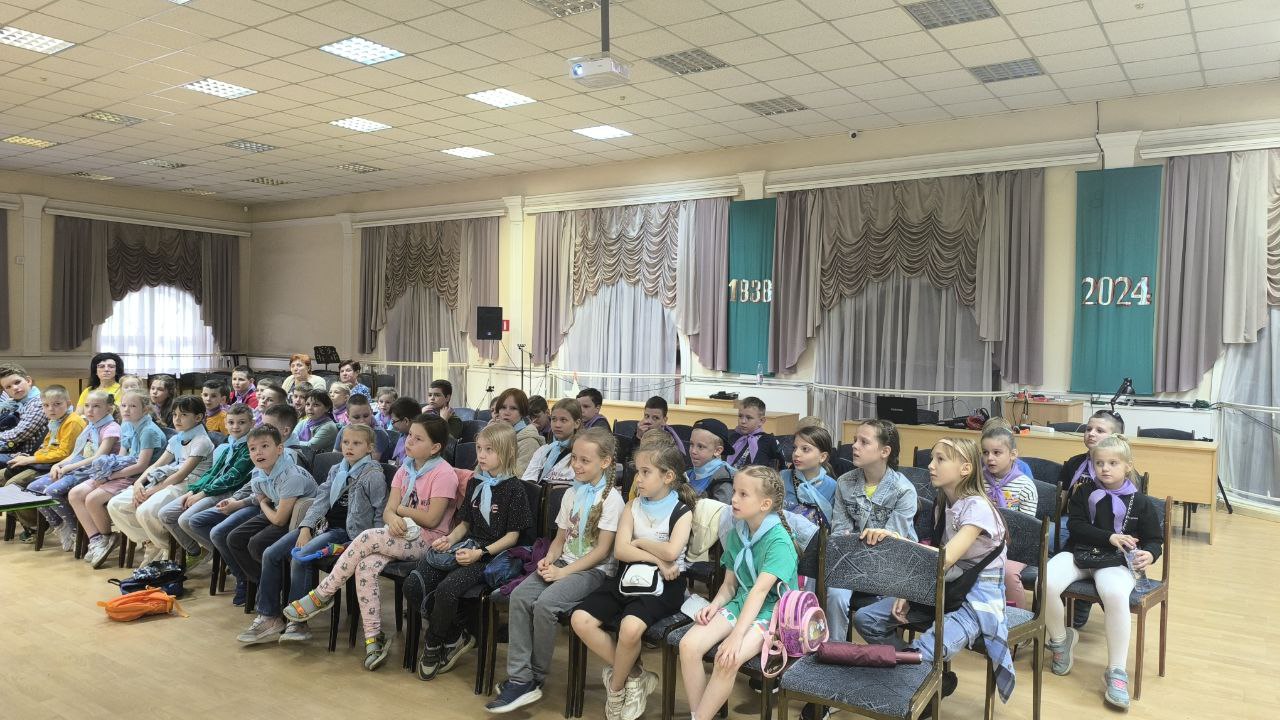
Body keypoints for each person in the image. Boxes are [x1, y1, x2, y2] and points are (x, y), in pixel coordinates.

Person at [854, 438, 1015, 708]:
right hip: (948, 585)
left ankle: (917, 681)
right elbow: (941, 564)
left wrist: (896, 539)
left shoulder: (977, 507)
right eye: (932, 458)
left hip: (978, 598)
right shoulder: (944, 503)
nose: (930, 465)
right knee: (866, 619)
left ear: (965, 468)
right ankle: (928, 676)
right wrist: (910, 591)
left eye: (940, 459)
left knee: (925, 649)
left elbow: (945, 558)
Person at [487, 427, 625, 712]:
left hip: (594, 571)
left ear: (605, 462)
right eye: (574, 458)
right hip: (564, 563)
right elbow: (560, 539)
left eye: (585, 460)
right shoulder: (571, 493)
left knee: (546, 604)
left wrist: (563, 573)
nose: (576, 465)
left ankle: (536, 676)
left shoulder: (612, 500)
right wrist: (549, 559)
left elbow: (601, 552)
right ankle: (520, 677)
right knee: (520, 596)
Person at [569, 444, 696, 720]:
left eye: (645, 472)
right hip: (628, 576)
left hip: (666, 584)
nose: (638, 478)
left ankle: (616, 689)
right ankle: (636, 674)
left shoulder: (681, 511)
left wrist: (639, 543)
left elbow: (672, 552)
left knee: (630, 628)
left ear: (668, 476)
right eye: (637, 471)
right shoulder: (632, 506)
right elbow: (621, 551)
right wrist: (656, 558)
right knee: (580, 619)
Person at [405, 422, 533, 681]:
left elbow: (512, 537)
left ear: (507, 452)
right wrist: (449, 540)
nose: (481, 455)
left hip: (492, 556)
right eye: (479, 449)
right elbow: (464, 524)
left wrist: (480, 553)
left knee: (447, 590)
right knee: (414, 584)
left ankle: (434, 642)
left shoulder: (515, 489)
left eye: (489, 450)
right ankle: (456, 634)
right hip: (468, 546)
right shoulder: (476, 482)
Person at [1044, 435, 1162, 711]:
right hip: (1080, 554)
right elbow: (1075, 526)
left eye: (1112, 463)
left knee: (1115, 594)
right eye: (1099, 463)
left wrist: (1150, 554)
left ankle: (1116, 671)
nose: (1105, 468)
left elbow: (1155, 540)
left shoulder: (1141, 502)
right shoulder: (1083, 492)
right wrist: (1109, 536)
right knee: (1045, 581)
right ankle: (1060, 641)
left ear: (1128, 466)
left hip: (1116, 562)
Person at [247, 422, 389, 645]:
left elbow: (381, 511)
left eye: (356, 443)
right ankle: (270, 616)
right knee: (270, 554)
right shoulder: (337, 469)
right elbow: (320, 502)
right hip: (322, 525)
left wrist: (373, 543)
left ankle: (298, 621)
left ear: (370, 447)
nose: (349, 447)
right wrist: (305, 528)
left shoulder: (373, 475)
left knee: (300, 557)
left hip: (345, 533)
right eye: (346, 442)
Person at [677, 465, 799, 720]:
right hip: (742, 602)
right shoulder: (738, 533)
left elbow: (760, 592)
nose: (733, 499)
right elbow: (729, 586)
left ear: (765, 504)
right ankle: (700, 715)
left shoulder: (779, 541)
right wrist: (715, 604)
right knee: (688, 646)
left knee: (727, 659)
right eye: (734, 491)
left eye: (743, 494)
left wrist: (736, 636)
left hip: (773, 613)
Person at [825, 419, 917, 643]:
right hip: (852, 559)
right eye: (855, 440)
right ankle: (835, 652)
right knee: (835, 594)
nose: (854, 446)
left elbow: (892, 541)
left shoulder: (903, 490)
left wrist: (855, 540)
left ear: (885, 451)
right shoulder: (844, 482)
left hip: (891, 564)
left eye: (864, 442)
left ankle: (891, 654)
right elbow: (839, 533)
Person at [107, 395, 215, 566]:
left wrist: (150, 491)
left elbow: (181, 475)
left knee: (145, 511)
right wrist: (138, 483)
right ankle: (152, 541)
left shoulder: (201, 441)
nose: (177, 419)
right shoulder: (177, 438)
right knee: (116, 504)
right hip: (169, 480)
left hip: (189, 484)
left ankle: (169, 547)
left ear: (198, 417)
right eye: (175, 414)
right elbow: (157, 465)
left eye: (184, 415)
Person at [217, 425, 317, 610]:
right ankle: (263, 583)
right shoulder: (258, 472)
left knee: (256, 544)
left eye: (264, 446)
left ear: (279, 449)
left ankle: (271, 587)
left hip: (298, 520)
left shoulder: (291, 476)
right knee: (233, 538)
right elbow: (260, 496)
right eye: (253, 449)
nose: (258, 452)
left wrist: (263, 503)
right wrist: (243, 503)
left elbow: (279, 520)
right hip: (277, 509)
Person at [71, 391, 167, 567]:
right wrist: (106, 474)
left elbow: (141, 466)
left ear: (145, 409)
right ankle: (96, 539)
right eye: (123, 405)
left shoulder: (148, 431)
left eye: (132, 406)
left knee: (92, 499)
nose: (126, 410)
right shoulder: (126, 424)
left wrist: (109, 476)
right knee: (75, 494)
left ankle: (107, 537)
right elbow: (121, 458)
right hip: (122, 471)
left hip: (139, 477)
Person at [158, 403, 255, 568]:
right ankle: (197, 551)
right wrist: (194, 491)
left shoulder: (249, 447)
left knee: (186, 520)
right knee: (165, 514)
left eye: (242, 422)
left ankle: (228, 557)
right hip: (211, 490)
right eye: (231, 422)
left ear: (252, 424)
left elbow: (233, 478)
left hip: (230, 493)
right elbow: (212, 472)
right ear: (225, 424)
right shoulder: (229, 445)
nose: (235, 426)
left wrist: (203, 493)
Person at [1055, 409, 1123, 628]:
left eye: (1099, 430)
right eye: (1088, 428)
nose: (1091, 433)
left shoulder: (1120, 468)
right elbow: (1062, 500)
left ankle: (1082, 601)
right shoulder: (1074, 463)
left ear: (1115, 437)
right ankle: (1051, 601)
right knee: (1050, 538)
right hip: (1071, 521)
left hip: (1107, 527)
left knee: (1087, 547)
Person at [28, 390, 120, 551]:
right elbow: (76, 454)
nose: (89, 410)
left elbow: (98, 457)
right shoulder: (90, 426)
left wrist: (68, 467)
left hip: (93, 472)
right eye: (87, 405)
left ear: (109, 409)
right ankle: (60, 525)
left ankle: (75, 530)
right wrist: (59, 465)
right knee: (33, 489)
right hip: (78, 467)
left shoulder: (111, 428)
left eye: (96, 406)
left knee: (52, 491)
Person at [4, 385, 85, 542]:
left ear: (68, 403)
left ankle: (38, 525)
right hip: (45, 462)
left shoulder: (73, 421)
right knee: (3, 477)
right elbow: (47, 446)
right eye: (46, 405)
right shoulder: (55, 421)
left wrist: (31, 459)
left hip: (61, 465)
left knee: (13, 486)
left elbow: (64, 453)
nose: (51, 409)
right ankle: (30, 523)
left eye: (57, 404)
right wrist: (28, 456)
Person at [981, 425, 1038, 608]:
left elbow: (1026, 530)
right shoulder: (978, 481)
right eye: (985, 452)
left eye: (997, 452)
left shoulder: (1025, 486)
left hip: (1015, 548)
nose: (990, 458)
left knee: (1007, 572)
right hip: (983, 542)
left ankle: (1018, 618)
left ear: (1013, 454)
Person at [780, 425, 836, 528]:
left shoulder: (833, 487)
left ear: (822, 457)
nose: (796, 453)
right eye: (794, 448)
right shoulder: (782, 478)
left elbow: (833, 525)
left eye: (805, 449)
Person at [521, 397, 581, 485]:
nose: (557, 425)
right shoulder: (544, 450)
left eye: (563, 420)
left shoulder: (583, 453)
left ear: (577, 423)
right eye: (554, 419)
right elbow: (527, 482)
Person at [490, 387, 545, 475]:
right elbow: (480, 471)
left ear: (522, 412)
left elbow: (518, 477)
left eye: (513, 408)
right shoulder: (494, 436)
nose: (506, 412)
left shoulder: (529, 442)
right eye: (503, 407)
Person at [0, 364, 48, 462]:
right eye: (8, 387)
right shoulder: (12, 404)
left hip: (29, 456)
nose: (14, 388)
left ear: (28, 381)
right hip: (11, 451)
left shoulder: (39, 402)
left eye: (17, 382)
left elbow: (21, 433)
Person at [332, 394, 394, 461]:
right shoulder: (344, 430)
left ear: (371, 412)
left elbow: (372, 462)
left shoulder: (378, 434)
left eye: (366, 416)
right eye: (356, 417)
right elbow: (335, 457)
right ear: (347, 416)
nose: (362, 421)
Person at [726, 397, 782, 469]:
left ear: (761, 421)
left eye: (749, 418)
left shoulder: (769, 440)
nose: (743, 421)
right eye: (740, 416)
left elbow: (782, 464)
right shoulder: (732, 436)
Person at [687, 419, 734, 504]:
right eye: (691, 444)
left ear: (717, 451)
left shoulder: (724, 479)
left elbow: (719, 510)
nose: (693, 451)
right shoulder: (687, 474)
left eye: (700, 446)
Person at [388, 396, 422, 464]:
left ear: (406, 421)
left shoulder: (418, 442)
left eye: (393, 421)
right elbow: (398, 461)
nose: (393, 425)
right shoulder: (403, 435)